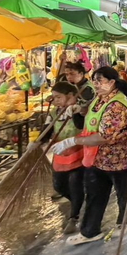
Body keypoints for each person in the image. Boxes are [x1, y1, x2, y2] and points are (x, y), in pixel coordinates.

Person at [53, 66, 127, 245]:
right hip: (97, 157)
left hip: (120, 158)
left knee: (124, 193)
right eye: (94, 80)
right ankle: (90, 231)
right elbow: (91, 111)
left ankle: (124, 222)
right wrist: (79, 109)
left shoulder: (117, 105)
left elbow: (105, 136)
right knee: (94, 194)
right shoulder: (100, 97)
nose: (96, 84)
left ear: (112, 82)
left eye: (100, 81)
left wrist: (73, 141)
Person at [38, 82, 85, 235]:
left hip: (79, 152)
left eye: (58, 97)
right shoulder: (53, 113)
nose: (55, 101)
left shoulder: (80, 110)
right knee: (59, 186)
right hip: (61, 153)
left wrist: (76, 111)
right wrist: (37, 142)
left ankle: (74, 217)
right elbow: (47, 130)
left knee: (75, 184)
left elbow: (81, 124)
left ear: (70, 96)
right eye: (54, 98)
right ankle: (77, 201)